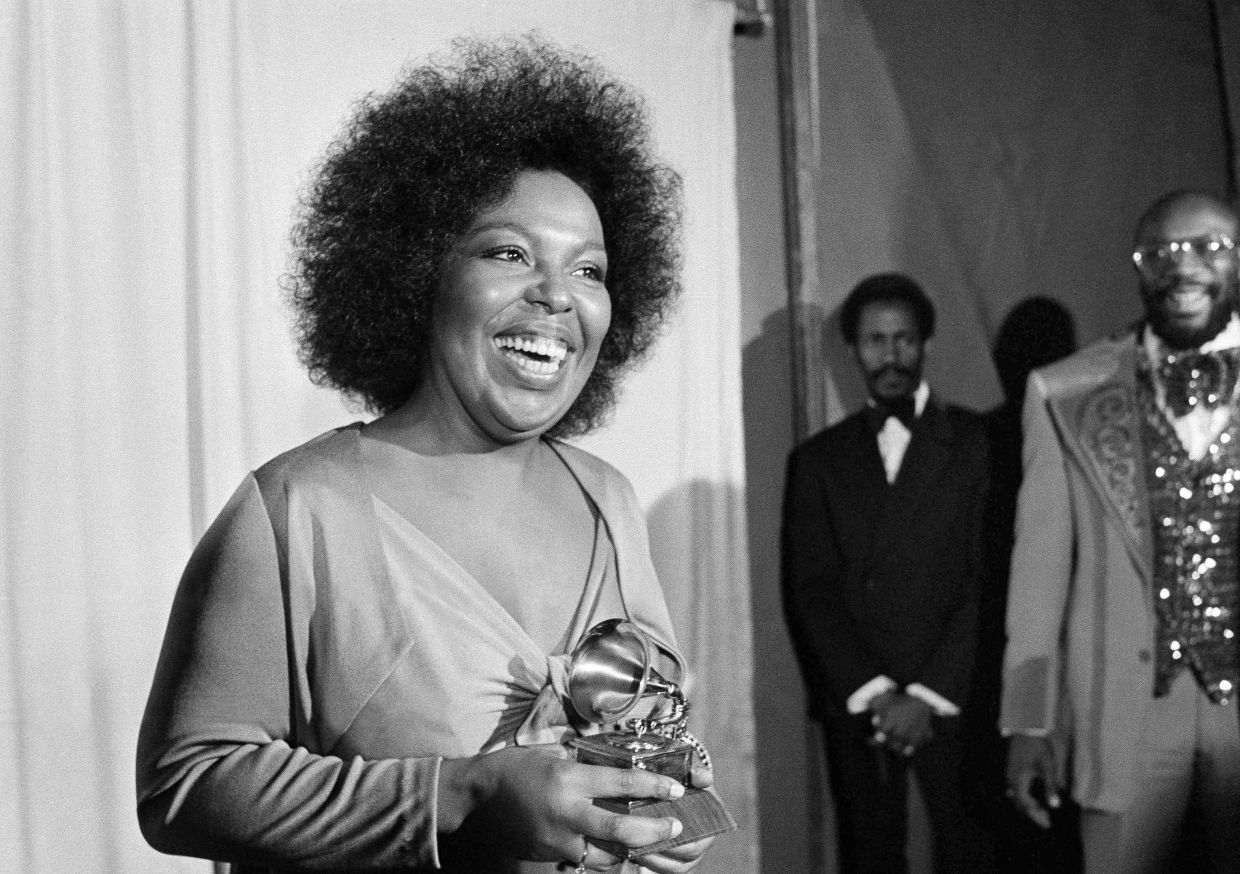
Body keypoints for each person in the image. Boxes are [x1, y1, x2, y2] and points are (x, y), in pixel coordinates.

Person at [136, 36, 720, 874]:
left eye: (588, 269)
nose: (557, 295)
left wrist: (671, 809)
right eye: (508, 253)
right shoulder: (297, 510)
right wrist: (463, 796)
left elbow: (650, 731)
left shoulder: (611, 499)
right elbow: (181, 784)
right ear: (417, 272)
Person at [1002, 190, 1240, 874]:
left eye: (1209, 248)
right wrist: (1027, 720)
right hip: (1124, 708)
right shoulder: (1064, 391)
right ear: (1138, 269)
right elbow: (1039, 567)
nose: (1184, 266)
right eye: (1161, 252)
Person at [781, 273, 991, 873]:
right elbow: (811, 590)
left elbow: (985, 580)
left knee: (968, 852)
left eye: (904, 339)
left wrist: (927, 695)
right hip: (863, 701)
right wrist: (876, 693)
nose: (891, 355)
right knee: (870, 855)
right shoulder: (818, 461)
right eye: (875, 341)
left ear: (925, 343)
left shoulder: (977, 443)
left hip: (952, 697)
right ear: (853, 349)